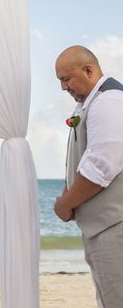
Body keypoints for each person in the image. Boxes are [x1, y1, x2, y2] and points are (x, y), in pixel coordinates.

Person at [53, 45, 123, 307]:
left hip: (115, 227)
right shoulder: (92, 104)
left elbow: (100, 167)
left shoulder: (108, 102)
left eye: (65, 78)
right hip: (106, 227)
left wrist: (66, 203)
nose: (63, 87)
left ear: (89, 70)